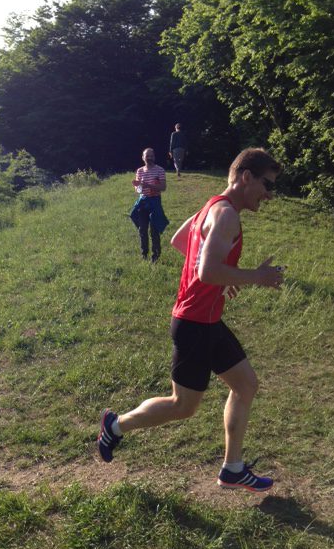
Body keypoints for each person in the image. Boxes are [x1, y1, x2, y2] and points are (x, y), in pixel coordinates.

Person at [99, 147, 284, 492]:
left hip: (207, 321)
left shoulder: (211, 207)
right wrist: (252, 276)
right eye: (267, 184)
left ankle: (232, 468)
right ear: (246, 177)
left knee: (245, 386)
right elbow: (206, 269)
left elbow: (179, 240)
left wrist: (222, 278)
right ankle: (115, 425)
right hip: (195, 324)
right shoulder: (226, 215)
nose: (269, 194)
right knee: (183, 405)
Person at [130, 147, 169, 263]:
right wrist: (138, 187)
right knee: (142, 229)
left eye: (151, 155)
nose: (149, 158)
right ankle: (144, 254)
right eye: (147, 156)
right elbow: (138, 189)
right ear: (143, 158)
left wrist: (148, 185)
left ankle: (156, 255)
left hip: (155, 201)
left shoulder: (160, 170)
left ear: (154, 157)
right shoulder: (140, 171)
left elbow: (163, 187)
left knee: (154, 229)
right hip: (143, 201)